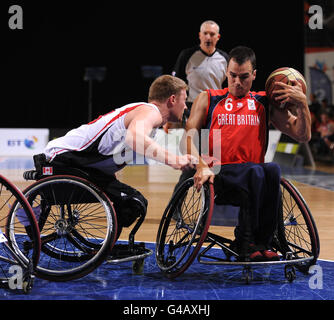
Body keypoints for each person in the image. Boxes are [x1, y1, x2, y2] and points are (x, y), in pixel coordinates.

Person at [179, 46, 311, 262]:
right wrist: (201, 164)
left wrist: (302, 105)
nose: (237, 82)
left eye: (244, 77)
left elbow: (302, 135)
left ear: (255, 75)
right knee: (257, 172)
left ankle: (262, 243)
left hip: (253, 176)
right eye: (232, 75)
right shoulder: (209, 98)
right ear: (226, 73)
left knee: (272, 169)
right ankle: (245, 242)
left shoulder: (263, 102)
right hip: (219, 175)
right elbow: (188, 137)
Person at [41, 74, 196, 237]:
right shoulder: (151, 111)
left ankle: (106, 247)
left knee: (132, 202)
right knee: (134, 202)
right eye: (184, 100)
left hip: (73, 160)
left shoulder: (145, 115)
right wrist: (175, 160)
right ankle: (105, 249)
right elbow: (134, 138)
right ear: (172, 99)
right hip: (65, 157)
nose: (185, 107)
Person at [172, 20, 229, 120]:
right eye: (205, 33)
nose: (208, 37)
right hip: (192, 108)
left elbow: (229, 86)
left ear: (218, 37)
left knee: (216, 136)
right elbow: (175, 83)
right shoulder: (186, 55)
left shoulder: (225, 59)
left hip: (216, 108)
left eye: (212, 34)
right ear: (200, 35)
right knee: (194, 135)